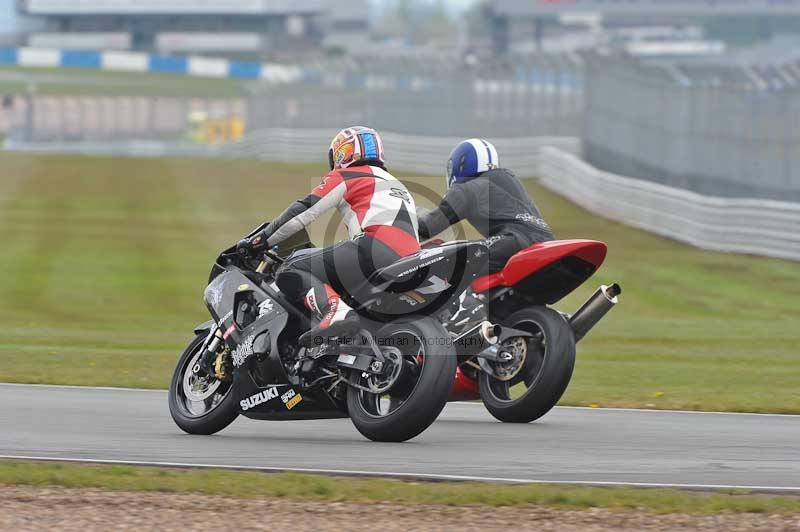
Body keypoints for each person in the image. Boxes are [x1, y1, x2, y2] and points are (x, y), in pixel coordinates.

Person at [237, 126, 419, 345]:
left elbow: (304, 210)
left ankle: (334, 311)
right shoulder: (397, 185)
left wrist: (262, 239)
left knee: (292, 267)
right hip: (410, 261)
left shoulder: (349, 175)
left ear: (343, 152)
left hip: (374, 249)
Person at [417, 139, 554, 325]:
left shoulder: (467, 189)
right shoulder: (510, 181)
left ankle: (466, 318)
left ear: (460, 164)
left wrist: (406, 218)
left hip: (514, 240)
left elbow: (430, 226)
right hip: (545, 242)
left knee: (456, 262)